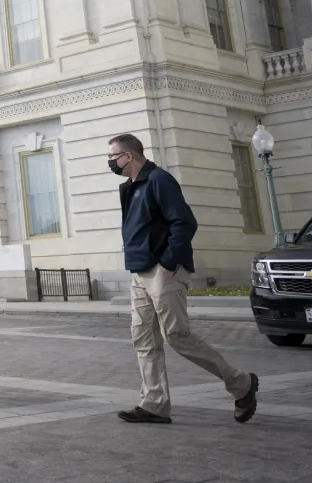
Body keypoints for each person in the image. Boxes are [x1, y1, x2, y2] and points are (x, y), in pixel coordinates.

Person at [109, 133, 258, 424]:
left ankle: (241, 383)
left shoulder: (158, 181)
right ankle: (153, 404)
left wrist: (169, 261)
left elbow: (184, 222)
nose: (110, 162)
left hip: (164, 271)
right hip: (140, 271)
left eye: (113, 157)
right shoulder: (132, 187)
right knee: (143, 338)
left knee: (177, 335)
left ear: (128, 156)